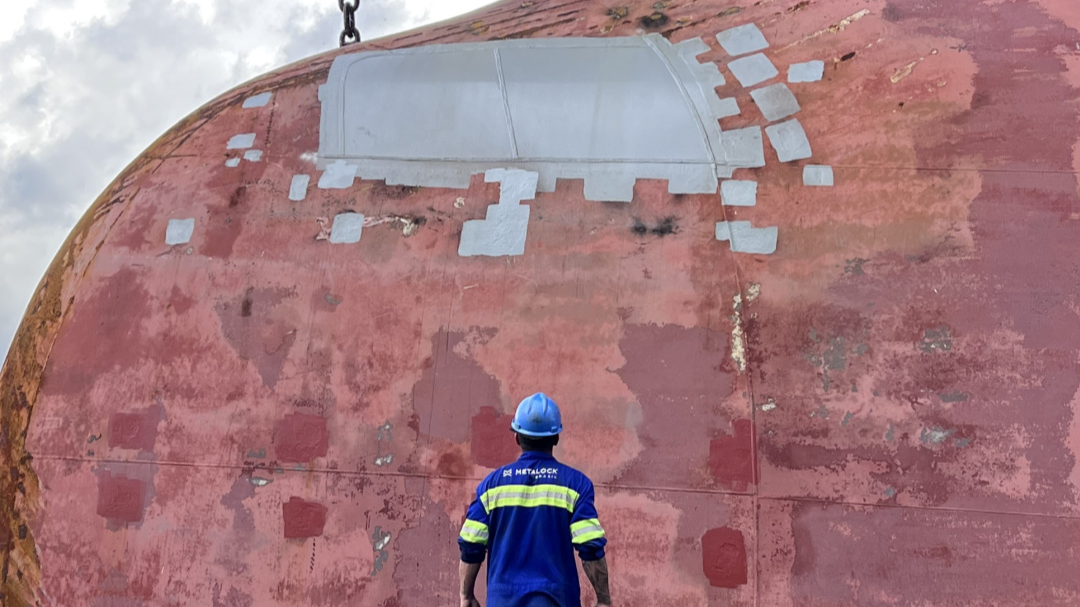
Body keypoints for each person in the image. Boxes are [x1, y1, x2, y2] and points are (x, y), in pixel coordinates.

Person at [458, 393, 612, 607]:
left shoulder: (490, 486)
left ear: (517, 437)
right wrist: (603, 599)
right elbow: (590, 546)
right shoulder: (576, 485)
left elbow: (471, 543)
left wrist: (466, 595)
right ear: (556, 437)